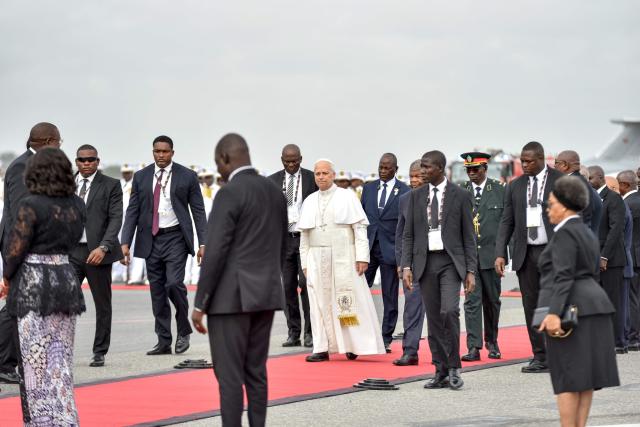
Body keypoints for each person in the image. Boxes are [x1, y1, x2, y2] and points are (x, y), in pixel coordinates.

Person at [192, 134, 287, 427]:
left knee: (230, 376)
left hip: (229, 300)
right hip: (265, 295)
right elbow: (283, 245)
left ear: (225, 158)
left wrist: (200, 302)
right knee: (256, 371)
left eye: (217, 164)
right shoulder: (273, 190)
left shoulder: (229, 193)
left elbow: (216, 250)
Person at [1, 147, 86, 425]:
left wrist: (7, 276)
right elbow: (74, 242)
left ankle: (42, 421)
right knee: (60, 359)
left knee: (35, 360)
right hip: (65, 277)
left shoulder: (31, 204)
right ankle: (65, 417)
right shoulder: (76, 205)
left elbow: (15, 250)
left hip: (34, 283)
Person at [536, 176, 619, 427]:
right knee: (584, 378)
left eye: (551, 204)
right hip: (594, 306)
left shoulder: (564, 234)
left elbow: (564, 276)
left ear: (565, 204)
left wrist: (552, 313)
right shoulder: (585, 230)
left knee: (568, 377)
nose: (548, 210)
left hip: (570, 310)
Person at [121, 135, 207, 355]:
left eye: (165, 152)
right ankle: (164, 340)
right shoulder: (141, 177)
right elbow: (132, 211)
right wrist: (125, 243)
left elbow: (198, 211)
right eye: (157, 151)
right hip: (151, 239)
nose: (161, 155)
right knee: (157, 291)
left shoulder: (187, 176)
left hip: (176, 238)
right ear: (153, 152)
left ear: (172, 153)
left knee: (173, 283)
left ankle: (183, 330)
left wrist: (203, 243)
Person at [401, 150, 476, 390]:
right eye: (421, 167)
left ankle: (454, 367)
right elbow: (409, 235)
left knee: (449, 311)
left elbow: (468, 236)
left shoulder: (460, 195)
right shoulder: (415, 196)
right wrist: (406, 266)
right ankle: (440, 370)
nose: (422, 171)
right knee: (433, 320)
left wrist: (470, 270)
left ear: (440, 168)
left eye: (427, 167)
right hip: (425, 263)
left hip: (450, 263)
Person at [298, 159, 385, 362]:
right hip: (316, 258)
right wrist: (305, 263)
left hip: (344, 256)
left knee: (347, 301)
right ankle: (322, 347)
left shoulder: (347, 196)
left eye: (325, 173)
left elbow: (360, 229)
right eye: (318, 173)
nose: (321, 177)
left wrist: (363, 257)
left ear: (333, 175)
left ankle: (352, 345)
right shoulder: (310, 200)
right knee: (318, 302)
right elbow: (304, 237)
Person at [0, 123, 62, 386]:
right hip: (22, 248)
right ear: (48, 140)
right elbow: (21, 215)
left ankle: (11, 360)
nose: (60, 146)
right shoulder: (21, 167)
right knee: (16, 306)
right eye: (59, 141)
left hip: (35, 248)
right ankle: (4, 362)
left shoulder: (37, 165)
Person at [495, 141, 563, 373]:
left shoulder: (560, 180)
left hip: (553, 251)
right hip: (526, 253)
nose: (524, 165)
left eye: (529, 161)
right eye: (522, 161)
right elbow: (507, 220)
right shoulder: (515, 186)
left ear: (542, 159)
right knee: (531, 305)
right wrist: (500, 252)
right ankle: (540, 356)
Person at [70, 145, 123, 368]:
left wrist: (103, 247)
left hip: (98, 254)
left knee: (102, 305)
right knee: (64, 304)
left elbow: (115, 219)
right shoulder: (66, 184)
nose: (86, 163)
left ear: (97, 161)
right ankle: (60, 350)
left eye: (91, 160)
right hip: (70, 252)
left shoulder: (111, 185)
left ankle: (99, 351)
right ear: (77, 161)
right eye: (82, 160)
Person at [269, 144, 317, 348]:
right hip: (283, 240)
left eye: (294, 161)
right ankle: (293, 332)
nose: (291, 165)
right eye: (287, 161)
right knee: (287, 287)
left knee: (306, 285)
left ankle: (311, 333)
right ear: (282, 160)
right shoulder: (272, 181)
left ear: (301, 159)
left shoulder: (311, 179)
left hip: (306, 238)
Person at [361, 153, 410, 352]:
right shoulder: (368, 188)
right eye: (381, 167)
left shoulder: (405, 191)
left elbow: (405, 224)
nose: (382, 170)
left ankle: (385, 337)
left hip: (390, 250)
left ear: (396, 169)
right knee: (361, 291)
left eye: (387, 168)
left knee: (389, 296)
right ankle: (361, 334)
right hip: (368, 249)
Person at [460, 152, 505, 361]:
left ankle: (492, 342)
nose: (471, 173)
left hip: (491, 256)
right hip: (469, 258)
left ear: (485, 169)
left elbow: (506, 224)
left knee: (492, 301)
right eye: (468, 170)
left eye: (475, 170)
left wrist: (503, 254)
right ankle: (473, 346)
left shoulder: (498, 190)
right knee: (471, 302)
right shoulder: (461, 191)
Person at [588, 166, 626, 353]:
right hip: (596, 257)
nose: (588, 181)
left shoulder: (613, 198)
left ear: (600, 178)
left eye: (591, 178)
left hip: (611, 259)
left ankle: (617, 342)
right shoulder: (592, 198)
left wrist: (604, 255)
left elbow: (616, 229)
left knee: (612, 301)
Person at [393, 160, 426, 366]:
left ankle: (443, 353)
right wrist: (401, 263)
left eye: (418, 176)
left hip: (438, 263)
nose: (414, 181)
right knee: (411, 308)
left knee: (443, 312)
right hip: (412, 265)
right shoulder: (405, 199)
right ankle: (410, 351)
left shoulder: (442, 198)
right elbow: (401, 234)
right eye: (411, 176)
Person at [617, 170, 640, 351]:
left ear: (625, 185)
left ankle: (633, 337)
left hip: (632, 255)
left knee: (631, 298)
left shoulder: (627, 204)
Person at [554, 150, 602, 235]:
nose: (554, 166)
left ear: (565, 165)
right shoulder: (580, 181)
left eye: (556, 163)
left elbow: (577, 215)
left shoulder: (572, 184)